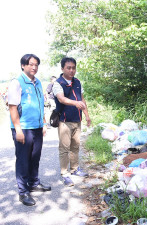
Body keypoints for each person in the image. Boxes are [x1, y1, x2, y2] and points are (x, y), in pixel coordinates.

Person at [8, 54, 51, 206]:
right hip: (23, 128)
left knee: (35, 157)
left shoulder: (38, 82)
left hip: (37, 127)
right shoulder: (17, 82)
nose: (34, 67)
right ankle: (23, 192)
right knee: (23, 160)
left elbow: (40, 104)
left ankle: (34, 183)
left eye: (36, 65)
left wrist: (44, 123)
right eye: (31, 64)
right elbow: (12, 107)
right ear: (23, 66)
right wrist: (18, 130)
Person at [52, 57, 91, 186]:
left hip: (77, 120)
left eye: (73, 67)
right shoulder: (58, 83)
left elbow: (82, 99)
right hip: (64, 121)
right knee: (64, 148)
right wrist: (76, 103)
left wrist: (87, 115)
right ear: (62, 68)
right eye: (68, 68)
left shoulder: (78, 82)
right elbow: (61, 99)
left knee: (75, 146)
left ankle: (75, 169)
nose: (71, 70)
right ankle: (65, 173)